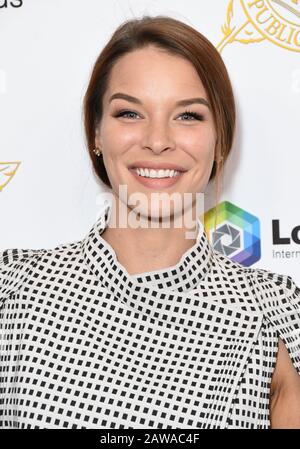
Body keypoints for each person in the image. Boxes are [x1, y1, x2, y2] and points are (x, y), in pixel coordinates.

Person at [1, 15, 300, 430]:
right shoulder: (14, 289)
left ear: (221, 140)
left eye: (188, 116)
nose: (158, 140)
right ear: (96, 133)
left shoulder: (278, 313)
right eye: (129, 113)